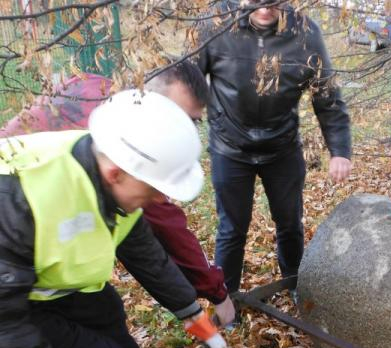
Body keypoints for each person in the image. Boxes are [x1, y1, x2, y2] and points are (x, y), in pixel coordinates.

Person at [0, 90, 230, 348]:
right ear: (114, 173)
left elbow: (142, 248)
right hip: (16, 307)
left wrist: (193, 314)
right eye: (154, 189)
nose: (162, 200)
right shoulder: (20, 194)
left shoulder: (112, 178)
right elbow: (5, 329)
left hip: (63, 286)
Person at [0, 62, 237, 326]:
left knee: (112, 344)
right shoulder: (127, 155)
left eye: (192, 122)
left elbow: (140, 245)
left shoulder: (101, 93)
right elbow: (167, 227)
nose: (183, 129)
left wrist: (190, 312)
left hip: (51, 267)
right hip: (21, 279)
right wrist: (218, 294)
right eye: (179, 117)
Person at [197, 0, 352, 296]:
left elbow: (327, 95)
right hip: (229, 147)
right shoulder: (216, 24)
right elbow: (188, 81)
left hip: (282, 146)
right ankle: (226, 300)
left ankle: (294, 284)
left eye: (274, 2)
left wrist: (340, 150)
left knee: (290, 223)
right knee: (231, 229)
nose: (266, 9)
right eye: (257, 3)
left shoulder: (305, 33)